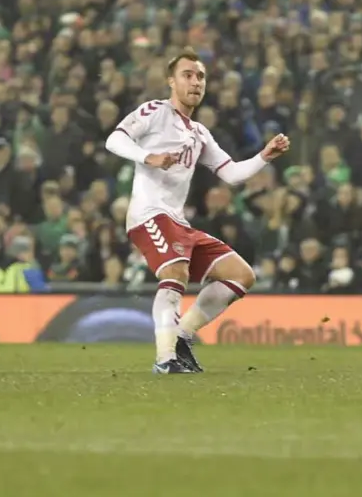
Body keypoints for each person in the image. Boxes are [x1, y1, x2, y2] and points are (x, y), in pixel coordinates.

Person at [105, 48, 290, 374]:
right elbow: (114, 139)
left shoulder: (199, 133)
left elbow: (231, 173)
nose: (195, 82)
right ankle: (165, 360)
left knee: (241, 275)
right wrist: (148, 157)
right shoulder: (154, 111)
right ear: (171, 82)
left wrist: (265, 155)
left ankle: (180, 335)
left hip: (178, 221)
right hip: (149, 214)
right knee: (175, 273)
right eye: (187, 75)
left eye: (200, 76)